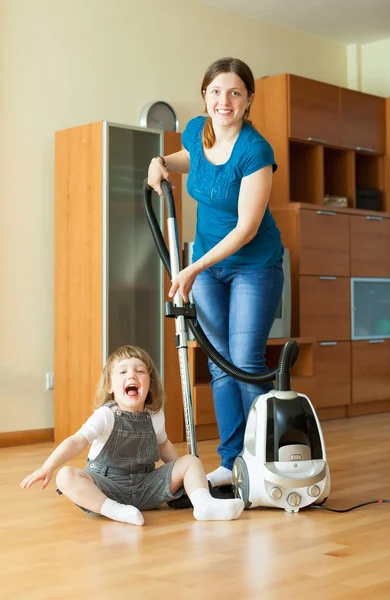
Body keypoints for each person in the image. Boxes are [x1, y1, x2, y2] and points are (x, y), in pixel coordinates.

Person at [148, 57, 284, 489]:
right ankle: (230, 461)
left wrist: (191, 267)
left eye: (234, 93)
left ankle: (267, 459)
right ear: (204, 96)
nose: (223, 101)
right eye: (215, 92)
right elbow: (191, 158)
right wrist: (160, 161)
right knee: (220, 366)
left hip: (252, 267)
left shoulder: (256, 151)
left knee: (244, 362)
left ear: (248, 100)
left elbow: (246, 229)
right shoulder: (195, 129)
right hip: (205, 265)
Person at [20, 345, 244, 525]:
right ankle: (114, 511)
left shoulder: (155, 415)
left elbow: (163, 445)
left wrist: (186, 476)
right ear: (110, 386)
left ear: (149, 384)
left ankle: (204, 505)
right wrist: (47, 467)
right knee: (65, 476)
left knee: (191, 461)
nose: (132, 375)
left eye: (140, 371)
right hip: (107, 487)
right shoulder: (105, 416)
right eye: (123, 371)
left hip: (146, 485)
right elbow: (77, 441)